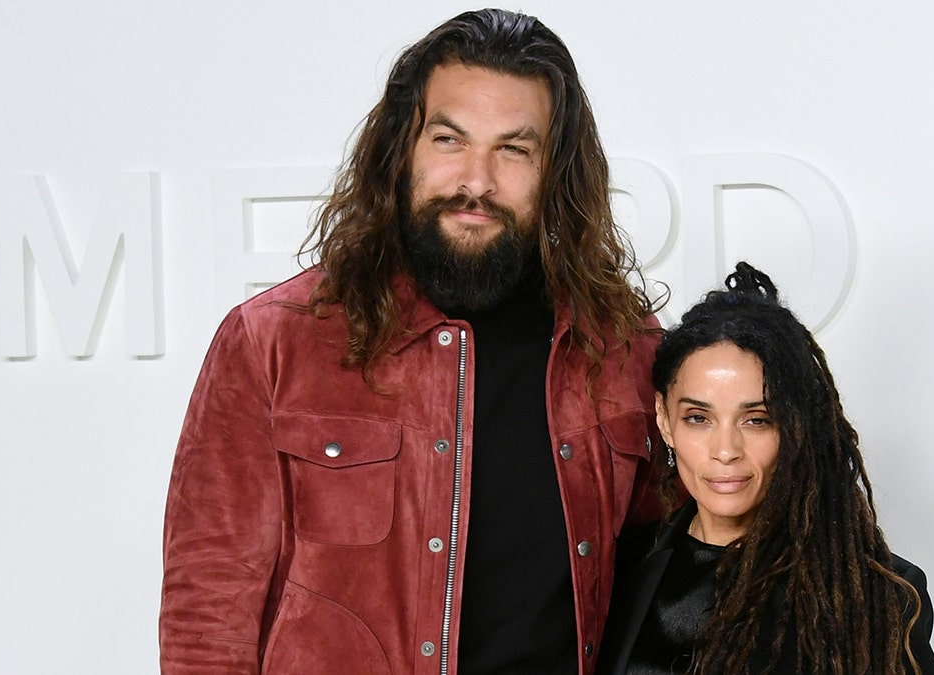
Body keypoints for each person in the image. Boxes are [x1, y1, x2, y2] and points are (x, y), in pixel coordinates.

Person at [159, 9, 663, 674]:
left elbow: (672, 581)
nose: (476, 181)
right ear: (404, 151)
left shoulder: (621, 348)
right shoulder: (272, 341)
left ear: (556, 173)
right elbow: (207, 616)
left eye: (514, 149)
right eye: (450, 140)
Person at [597, 262, 934, 674]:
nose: (725, 450)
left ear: (795, 426)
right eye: (698, 418)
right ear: (664, 420)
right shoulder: (616, 568)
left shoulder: (878, 593)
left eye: (756, 420)